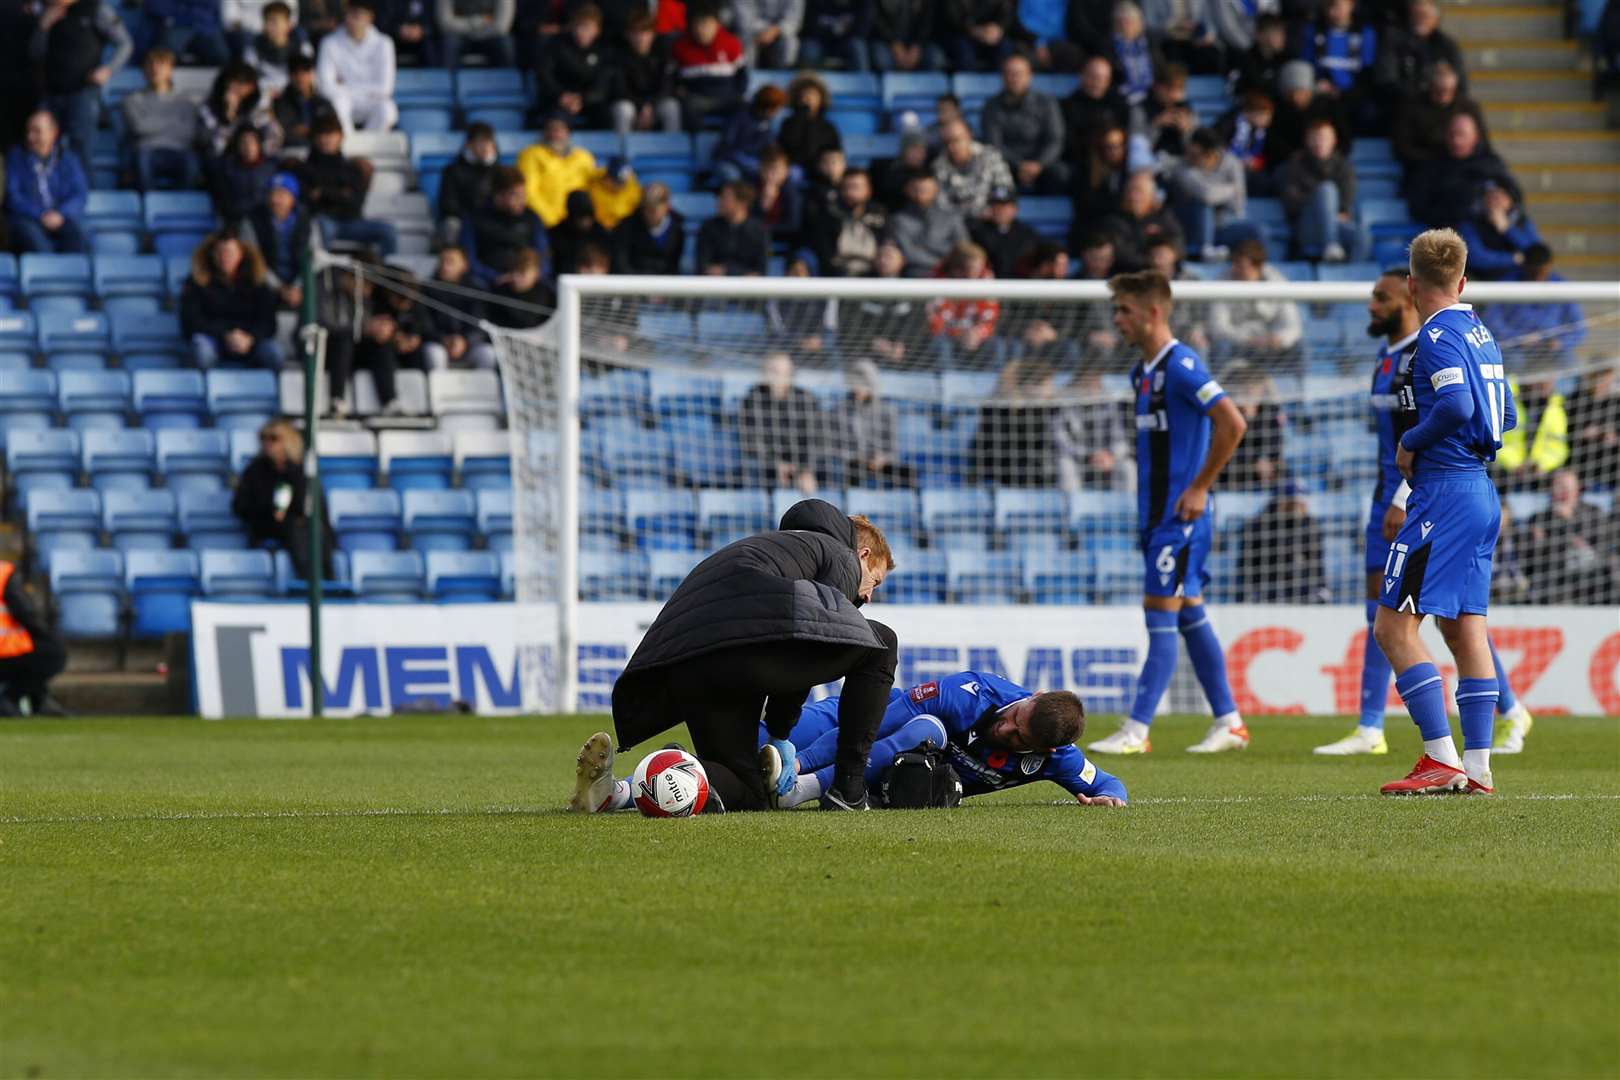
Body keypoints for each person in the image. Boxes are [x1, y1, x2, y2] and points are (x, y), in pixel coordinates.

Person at [577, 499, 897, 813]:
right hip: (740, 650)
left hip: (693, 664)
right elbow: (813, 635)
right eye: (874, 580)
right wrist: (780, 732)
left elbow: (798, 636)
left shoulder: (770, 545)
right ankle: (849, 790)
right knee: (881, 643)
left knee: (746, 791)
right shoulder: (842, 557)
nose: (868, 594)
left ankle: (638, 783)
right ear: (863, 554)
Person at [1373, 228, 1516, 796]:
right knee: (1464, 629)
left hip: (1445, 494)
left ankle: (1440, 757)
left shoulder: (1433, 336)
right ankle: (1478, 767)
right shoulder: (1483, 334)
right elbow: (1502, 417)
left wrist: (1413, 443)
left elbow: (1455, 405)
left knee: (1393, 626)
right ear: (1462, 281)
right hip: (1481, 491)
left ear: (1411, 285)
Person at [1087, 270, 1250, 756]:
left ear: (1153, 312)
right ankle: (1230, 722)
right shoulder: (1143, 372)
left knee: (1159, 615)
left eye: (1125, 311)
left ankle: (1137, 729)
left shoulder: (1182, 365)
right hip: (1156, 515)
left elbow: (1233, 423)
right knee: (1189, 615)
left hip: (1181, 518)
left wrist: (1200, 486)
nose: (1118, 320)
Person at [765, 671, 1123, 809]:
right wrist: (800, 762)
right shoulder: (967, 692)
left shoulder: (1058, 758)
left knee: (926, 736)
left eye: (1017, 737)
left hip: (900, 778)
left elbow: (1108, 784)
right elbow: (867, 728)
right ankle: (802, 780)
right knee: (762, 736)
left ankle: (802, 791)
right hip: (868, 717)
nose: (1004, 729)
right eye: (1015, 717)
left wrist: (1111, 800)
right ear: (1035, 695)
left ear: (1048, 750)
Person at [30, 0, 132, 174]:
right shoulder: (48, 11)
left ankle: (85, 198)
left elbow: (125, 44)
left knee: (81, 152)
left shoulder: (97, 9)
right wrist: (42, 27)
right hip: (51, 92)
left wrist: (108, 69)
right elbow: (34, 53)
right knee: (43, 151)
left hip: (83, 92)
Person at [232, 420, 334, 581]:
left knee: (315, 528)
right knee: (294, 528)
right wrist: (270, 510)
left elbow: (311, 504)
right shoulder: (255, 470)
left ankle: (326, 580)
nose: (268, 443)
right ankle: (308, 580)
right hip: (266, 524)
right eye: (263, 438)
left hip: (298, 524)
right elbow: (240, 506)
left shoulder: (301, 471)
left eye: (274, 438)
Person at [298, 114, 399, 257]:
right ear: (314, 138)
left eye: (330, 133)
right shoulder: (305, 168)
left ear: (340, 137)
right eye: (321, 134)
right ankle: (320, 273)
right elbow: (308, 201)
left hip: (351, 222)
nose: (325, 139)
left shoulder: (352, 168)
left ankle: (387, 275)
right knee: (320, 228)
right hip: (323, 221)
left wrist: (324, 193)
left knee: (388, 232)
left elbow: (355, 203)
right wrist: (341, 193)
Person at [180, 233, 284, 370]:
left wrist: (250, 337)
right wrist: (225, 335)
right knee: (201, 351)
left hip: (249, 341)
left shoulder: (257, 282)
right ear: (212, 254)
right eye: (219, 252)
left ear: (240, 254)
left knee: (274, 353)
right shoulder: (197, 282)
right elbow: (191, 322)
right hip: (214, 340)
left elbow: (268, 322)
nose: (224, 257)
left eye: (229, 252)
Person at [1517, 468, 1614, 606]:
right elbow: (1531, 558)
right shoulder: (1539, 518)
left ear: (1577, 489)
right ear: (1551, 490)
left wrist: (1569, 520)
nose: (1564, 491)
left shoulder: (1593, 513)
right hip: (1555, 579)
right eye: (1559, 486)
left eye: (1568, 487)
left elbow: (1602, 542)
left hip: (1590, 575)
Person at [1407, 112, 1518, 230]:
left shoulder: (1491, 162)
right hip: (1456, 230)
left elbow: (1515, 193)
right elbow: (1419, 206)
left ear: (1475, 137)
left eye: (1461, 135)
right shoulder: (1433, 166)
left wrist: (1505, 199)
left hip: (1497, 225)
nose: (1456, 140)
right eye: (1452, 134)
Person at [1207, 240, 1303, 373]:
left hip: (1270, 346)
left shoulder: (1277, 282)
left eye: (1242, 266)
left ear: (1258, 267)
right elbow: (1219, 328)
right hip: (1238, 344)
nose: (1237, 270)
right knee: (1223, 347)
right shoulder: (1222, 282)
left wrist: (1279, 339)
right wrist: (1249, 340)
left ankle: (1300, 392)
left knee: (1299, 347)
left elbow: (1292, 325)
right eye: (1235, 264)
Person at [981, 52, 1068, 194]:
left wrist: (1039, 164)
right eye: (1009, 73)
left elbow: (1055, 139)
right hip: (1008, 165)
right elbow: (994, 144)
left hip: (1042, 164)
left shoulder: (1046, 103)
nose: (1014, 78)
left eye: (1019, 74)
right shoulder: (991, 106)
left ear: (1029, 76)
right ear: (1002, 77)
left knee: (1062, 174)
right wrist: (1019, 165)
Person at [1488, 245, 1587, 371]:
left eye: (1541, 272)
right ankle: (1512, 391)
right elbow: (1491, 322)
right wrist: (1518, 338)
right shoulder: (1506, 285)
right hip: (1516, 349)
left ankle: (1557, 390)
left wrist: (1560, 342)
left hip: (1550, 349)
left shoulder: (1562, 287)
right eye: (1533, 272)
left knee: (1568, 361)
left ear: (1549, 266)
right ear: (1525, 266)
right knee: (1511, 361)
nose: (1537, 277)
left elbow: (1578, 327)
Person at [5, 111, 89, 255]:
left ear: (53, 132)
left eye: (37, 131)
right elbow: (14, 197)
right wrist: (40, 215)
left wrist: (61, 214)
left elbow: (79, 193)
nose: (30, 137)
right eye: (29, 131)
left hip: (62, 217)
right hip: (29, 219)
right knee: (35, 241)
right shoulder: (16, 158)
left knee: (78, 236)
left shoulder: (68, 159)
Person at [1165, 126, 1253, 261]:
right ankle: (1206, 249)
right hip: (1188, 226)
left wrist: (1220, 194)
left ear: (1212, 154)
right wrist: (1232, 189)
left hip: (1220, 225)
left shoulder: (1232, 164)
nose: (1189, 157)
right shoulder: (1182, 168)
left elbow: (1238, 205)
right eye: (1188, 152)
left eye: (1195, 155)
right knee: (1203, 206)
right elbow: (1207, 196)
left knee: (1255, 231)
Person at [739, 352, 822, 492]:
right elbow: (751, 441)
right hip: (767, 467)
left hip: (802, 464)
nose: (779, 376)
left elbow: (815, 438)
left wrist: (805, 469)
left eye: (784, 371)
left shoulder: (805, 399)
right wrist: (776, 464)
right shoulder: (753, 400)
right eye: (773, 371)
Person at [121, 47, 200, 193]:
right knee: (141, 160)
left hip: (179, 151)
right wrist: (173, 122)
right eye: (150, 64)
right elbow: (139, 127)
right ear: (144, 70)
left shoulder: (186, 101)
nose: (155, 68)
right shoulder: (132, 100)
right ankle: (150, 204)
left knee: (192, 163)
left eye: (161, 64)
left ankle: (180, 206)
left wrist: (153, 122)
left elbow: (189, 132)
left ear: (170, 69)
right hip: (147, 150)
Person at [1391, 61, 1486, 179]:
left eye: (1448, 91)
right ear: (1430, 86)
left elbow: (1483, 143)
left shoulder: (1468, 107)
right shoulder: (1412, 107)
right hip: (1425, 171)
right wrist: (1436, 157)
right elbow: (1403, 148)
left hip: (1464, 169)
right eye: (1439, 90)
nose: (1444, 95)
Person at [1238, 482, 1330, 603]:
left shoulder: (1311, 526)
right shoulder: (1257, 526)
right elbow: (1246, 567)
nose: (1298, 507)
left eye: (1301, 502)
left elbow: (1317, 566)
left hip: (1300, 586)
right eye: (1293, 502)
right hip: (1267, 584)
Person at [315, 0, 398, 134]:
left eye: (357, 15)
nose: (350, 20)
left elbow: (385, 88)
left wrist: (345, 86)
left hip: (370, 100)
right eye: (348, 14)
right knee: (337, 105)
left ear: (369, 18)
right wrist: (362, 90)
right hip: (343, 99)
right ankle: (348, 147)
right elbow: (324, 86)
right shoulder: (329, 43)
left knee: (388, 110)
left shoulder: (384, 43)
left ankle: (368, 148)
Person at [831, 360, 913, 490]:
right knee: (852, 471)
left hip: (881, 462)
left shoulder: (887, 410)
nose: (857, 388)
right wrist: (856, 457)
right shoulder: (839, 410)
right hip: (855, 462)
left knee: (908, 473)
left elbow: (893, 448)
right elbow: (835, 446)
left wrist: (882, 459)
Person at [0, 559, 67, 717]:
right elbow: (25, 613)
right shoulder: (3, 572)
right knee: (53, 654)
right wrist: (46, 635)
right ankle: (12, 697)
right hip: (5, 652)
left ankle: (38, 700)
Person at [1300, 0, 1378, 132]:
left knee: (1369, 112)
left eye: (1337, 6)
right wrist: (1318, 84)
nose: (1333, 12)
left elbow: (1368, 70)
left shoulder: (1365, 32)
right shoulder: (1313, 31)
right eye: (1329, 6)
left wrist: (1346, 92)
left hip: (1354, 94)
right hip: (1322, 94)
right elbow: (1307, 66)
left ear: (1351, 5)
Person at [418, 246, 497, 370]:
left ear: (464, 265)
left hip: (469, 346)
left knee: (487, 353)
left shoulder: (476, 290)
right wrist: (444, 340)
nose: (445, 266)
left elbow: (481, 324)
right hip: (440, 344)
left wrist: (465, 341)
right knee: (434, 353)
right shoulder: (426, 289)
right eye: (442, 261)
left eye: (451, 261)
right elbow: (425, 324)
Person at [243, 172, 314, 309]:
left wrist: (298, 286)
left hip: (300, 282)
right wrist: (278, 287)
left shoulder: (308, 221)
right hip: (265, 282)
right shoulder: (252, 220)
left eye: (281, 194)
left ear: (293, 197)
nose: (274, 199)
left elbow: (314, 257)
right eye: (271, 193)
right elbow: (253, 257)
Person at [607, 10, 682, 137]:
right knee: (623, 109)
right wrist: (641, 106)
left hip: (655, 105)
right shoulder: (618, 58)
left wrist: (650, 106)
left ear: (653, 34)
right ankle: (622, 153)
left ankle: (672, 151)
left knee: (671, 107)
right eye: (635, 33)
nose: (640, 38)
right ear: (628, 35)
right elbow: (619, 90)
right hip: (631, 105)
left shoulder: (663, 56)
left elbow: (666, 87)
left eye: (645, 32)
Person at [517, 112, 599, 229]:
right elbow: (529, 193)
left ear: (568, 132)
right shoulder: (531, 155)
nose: (555, 133)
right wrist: (553, 220)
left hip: (578, 224)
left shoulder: (584, 157)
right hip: (545, 224)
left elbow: (593, 189)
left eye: (560, 129)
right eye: (550, 128)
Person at [671, 4, 746, 130]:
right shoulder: (680, 47)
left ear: (717, 25)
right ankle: (699, 144)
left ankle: (729, 142)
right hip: (698, 99)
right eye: (697, 24)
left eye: (706, 24)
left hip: (726, 98)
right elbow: (673, 77)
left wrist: (738, 93)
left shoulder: (731, 43)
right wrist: (680, 90)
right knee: (688, 106)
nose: (701, 29)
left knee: (744, 107)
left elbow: (742, 75)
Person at [535, 4, 611, 128]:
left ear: (597, 30)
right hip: (558, 101)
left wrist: (582, 99)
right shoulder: (556, 45)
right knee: (555, 120)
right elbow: (544, 76)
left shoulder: (604, 50)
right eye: (578, 26)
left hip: (590, 103)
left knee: (606, 118)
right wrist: (561, 96)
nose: (580, 31)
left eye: (586, 27)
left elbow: (602, 84)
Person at [926, 241, 1001, 367]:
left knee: (997, 346)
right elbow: (933, 320)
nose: (978, 272)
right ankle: (948, 382)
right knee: (941, 345)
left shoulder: (986, 280)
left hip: (976, 337)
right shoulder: (936, 281)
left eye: (980, 267)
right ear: (957, 269)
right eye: (972, 268)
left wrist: (977, 333)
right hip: (947, 336)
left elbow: (990, 318)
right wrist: (958, 334)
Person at [1377, 0, 1466, 102]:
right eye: (1417, 15)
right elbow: (1386, 79)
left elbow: (1461, 83)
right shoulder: (1394, 41)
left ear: (1435, 20)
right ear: (1410, 17)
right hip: (1402, 106)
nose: (1421, 20)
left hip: (1439, 107)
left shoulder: (1447, 46)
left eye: (1425, 16)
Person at [1102, 170, 1186, 272]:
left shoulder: (1164, 216)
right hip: (1128, 275)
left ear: (1152, 195)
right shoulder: (1114, 221)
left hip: (1165, 274)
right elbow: (1120, 252)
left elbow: (1178, 241)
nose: (1134, 197)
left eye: (1139, 191)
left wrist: (1170, 254)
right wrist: (1152, 260)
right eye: (1130, 191)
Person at [887, 170, 968, 275]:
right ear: (907, 189)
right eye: (917, 189)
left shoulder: (952, 217)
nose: (921, 193)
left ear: (936, 190)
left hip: (951, 274)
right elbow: (908, 253)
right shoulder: (898, 220)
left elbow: (963, 249)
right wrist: (940, 261)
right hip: (916, 275)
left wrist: (926, 247)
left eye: (926, 189)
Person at [1455, 183, 1541, 282]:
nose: (1495, 202)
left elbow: (1537, 254)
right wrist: (1513, 259)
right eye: (1490, 197)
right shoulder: (1470, 224)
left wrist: (1508, 230)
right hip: (1484, 283)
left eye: (1500, 196)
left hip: (1520, 281)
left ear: (1510, 200)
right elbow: (1476, 258)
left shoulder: (1522, 223)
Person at [932, 119, 1015, 219]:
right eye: (946, 142)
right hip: (958, 222)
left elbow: (1005, 188)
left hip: (990, 219)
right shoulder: (939, 165)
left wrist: (992, 205)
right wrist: (972, 212)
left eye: (956, 140)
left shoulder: (990, 156)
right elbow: (942, 204)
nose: (952, 147)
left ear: (969, 135)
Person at [812, 167, 886, 277]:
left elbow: (887, 245)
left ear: (868, 190)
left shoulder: (881, 216)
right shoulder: (828, 217)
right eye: (846, 187)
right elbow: (825, 255)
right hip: (839, 276)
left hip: (875, 274)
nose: (850, 192)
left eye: (856, 187)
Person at [437, 124, 500, 250]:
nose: (485, 147)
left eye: (488, 142)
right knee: (452, 225)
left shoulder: (500, 172)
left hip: (492, 219)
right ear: (468, 145)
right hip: (464, 219)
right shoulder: (452, 171)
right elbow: (448, 203)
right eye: (480, 143)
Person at [713, 85, 788, 184]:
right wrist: (746, 162)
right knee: (733, 175)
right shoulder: (739, 116)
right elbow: (726, 146)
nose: (776, 113)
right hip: (729, 160)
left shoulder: (768, 122)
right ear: (767, 108)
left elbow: (770, 146)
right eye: (775, 109)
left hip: (754, 163)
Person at [210, 127, 277, 230]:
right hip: (236, 219)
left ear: (259, 145)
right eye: (244, 143)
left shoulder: (271, 167)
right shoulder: (227, 168)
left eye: (252, 142)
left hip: (264, 220)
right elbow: (223, 200)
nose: (248, 147)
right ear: (237, 146)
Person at [696, 181, 769, 276]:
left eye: (725, 197)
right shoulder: (708, 227)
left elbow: (761, 270)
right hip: (715, 287)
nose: (719, 201)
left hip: (748, 288)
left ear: (742, 203)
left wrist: (728, 271)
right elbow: (702, 266)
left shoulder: (759, 231)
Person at [612, 182, 685, 276]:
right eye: (647, 208)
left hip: (666, 284)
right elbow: (622, 263)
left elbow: (674, 263)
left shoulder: (678, 228)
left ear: (667, 206)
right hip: (634, 283)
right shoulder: (627, 227)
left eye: (654, 209)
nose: (650, 213)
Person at [968, 186, 1040, 279]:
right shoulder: (977, 232)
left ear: (1015, 209)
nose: (999, 210)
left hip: (1021, 286)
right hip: (987, 286)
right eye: (995, 205)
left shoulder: (1028, 235)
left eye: (1004, 206)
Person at [243, 1, 313, 95]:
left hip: (295, 96)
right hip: (266, 95)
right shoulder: (253, 48)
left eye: (275, 22)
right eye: (267, 21)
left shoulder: (303, 47)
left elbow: (309, 79)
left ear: (288, 25)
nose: (270, 27)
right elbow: (248, 80)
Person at [1217, 91, 1277, 197]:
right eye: (1264, 115)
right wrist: (1241, 160)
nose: (1268, 120)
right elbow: (1221, 148)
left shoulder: (1260, 132)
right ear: (1250, 113)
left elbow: (1260, 154)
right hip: (1227, 168)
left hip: (1250, 170)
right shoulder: (1229, 124)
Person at [777, 74, 841, 174]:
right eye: (804, 95)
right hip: (794, 168)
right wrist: (802, 116)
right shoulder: (789, 123)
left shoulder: (828, 127)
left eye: (812, 95)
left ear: (821, 99)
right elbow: (786, 146)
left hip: (821, 169)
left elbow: (835, 151)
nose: (808, 99)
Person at [273, 56, 335, 150]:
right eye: (296, 73)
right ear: (290, 76)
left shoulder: (324, 103)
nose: (300, 78)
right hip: (291, 153)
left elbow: (333, 129)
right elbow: (286, 131)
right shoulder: (281, 103)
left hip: (320, 151)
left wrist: (310, 131)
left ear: (311, 74)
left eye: (304, 72)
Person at [437, 0, 516, 71]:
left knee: (504, 43)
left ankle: (506, 84)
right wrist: (480, 21)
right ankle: (446, 83)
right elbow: (446, 24)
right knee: (449, 43)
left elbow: (501, 26)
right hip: (460, 36)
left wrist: (466, 24)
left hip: (490, 36)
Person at [144, 0, 229, 65]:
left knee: (221, 57)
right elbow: (155, 4)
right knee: (164, 54)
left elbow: (213, 4)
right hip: (178, 24)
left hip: (205, 26)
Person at [548, 190, 612, 277]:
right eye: (581, 217)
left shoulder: (600, 234)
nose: (585, 221)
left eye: (588, 216)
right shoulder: (556, 234)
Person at [941, 0, 1016, 73]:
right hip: (963, 34)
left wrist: (998, 28)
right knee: (963, 51)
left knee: (1005, 47)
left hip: (993, 35)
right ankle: (968, 83)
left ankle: (1000, 82)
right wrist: (975, 30)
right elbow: (952, 17)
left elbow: (1007, 14)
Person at [869, 0, 943, 72]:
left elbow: (928, 22)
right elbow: (878, 20)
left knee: (935, 58)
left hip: (918, 44)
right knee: (883, 61)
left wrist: (918, 46)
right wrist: (894, 43)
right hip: (887, 42)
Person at [799, 0, 871, 72]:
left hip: (848, 41)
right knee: (809, 49)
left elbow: (862, 29)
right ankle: (808, 81)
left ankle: (861, 82)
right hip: (821, 40)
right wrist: (833, 30)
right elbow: (810, 27)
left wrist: (841, 32)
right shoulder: (816, 2)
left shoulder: (863, 2)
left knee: (857, 46)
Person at [732, 0, 803, 67]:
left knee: (790, 43)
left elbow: (793, 20)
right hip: (752, 32)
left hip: (780, 33)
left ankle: (785, 76)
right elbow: (745, 19)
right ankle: (746, 76)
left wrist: (776, 30)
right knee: (744, 41)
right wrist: (764, 30)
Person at [586, 157, 642, 230]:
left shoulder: (631, 185)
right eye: (618, 183)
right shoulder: (593, 189)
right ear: (608, 178)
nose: (621, 186)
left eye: (623, 183)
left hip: (626, 230)